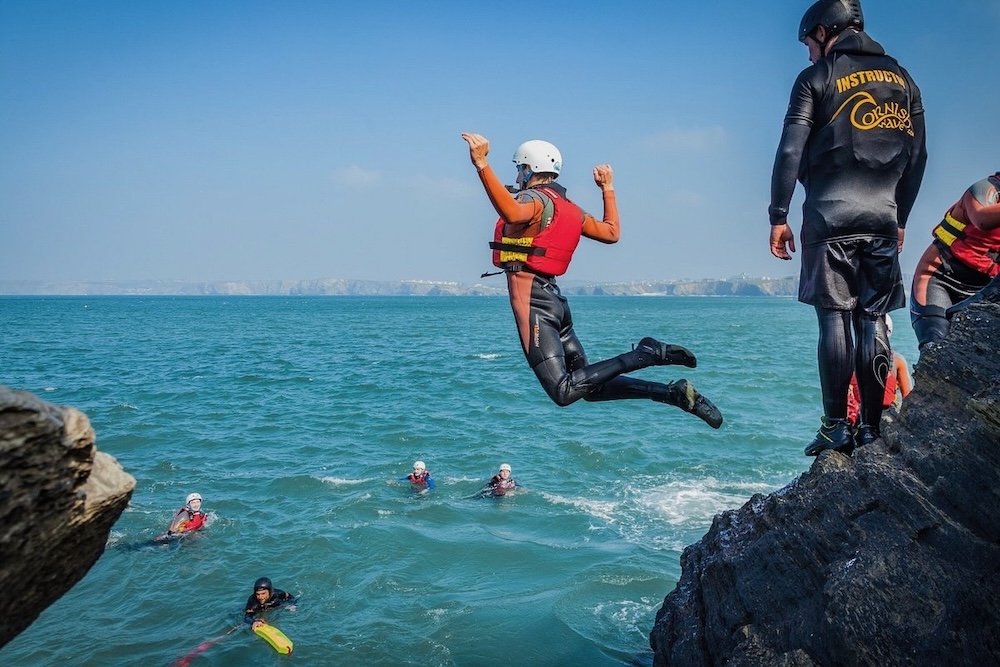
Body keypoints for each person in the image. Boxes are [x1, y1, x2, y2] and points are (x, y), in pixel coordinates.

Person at [461, 132, 723, 429]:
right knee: (590, 388)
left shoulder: (532, 200)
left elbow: (511, 210)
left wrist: (481, 164)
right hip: (556, 303)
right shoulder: (569, 208)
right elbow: (611, 232)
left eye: (519, 169)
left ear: (528, 169)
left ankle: (646, 353)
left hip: (533, 301)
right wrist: (607, 189)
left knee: (563, 391)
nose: (518, 175)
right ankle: (671, 393)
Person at [767, 0, 927, 455]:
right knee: (873, 318)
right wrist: (901, 218)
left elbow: (789, 152)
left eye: (807, 43)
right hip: (881, 218)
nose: (808, 54)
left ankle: (837, 425)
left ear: (824, 31)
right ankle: (874, 428)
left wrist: (778, 216)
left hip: (828, 215)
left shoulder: (816, 79)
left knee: (834, 318)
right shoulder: (905, 80)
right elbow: (917, 159)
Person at [910, 172, 1000, 350]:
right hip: (940, 278)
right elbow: (981, 219)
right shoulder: (985, 189)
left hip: (986, 289)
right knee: (935, 345)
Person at [847, 313, 912, 431]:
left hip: (859, 416)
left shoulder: (852, 359)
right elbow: (908, 396)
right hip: (885, 415)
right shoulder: (897, 360)